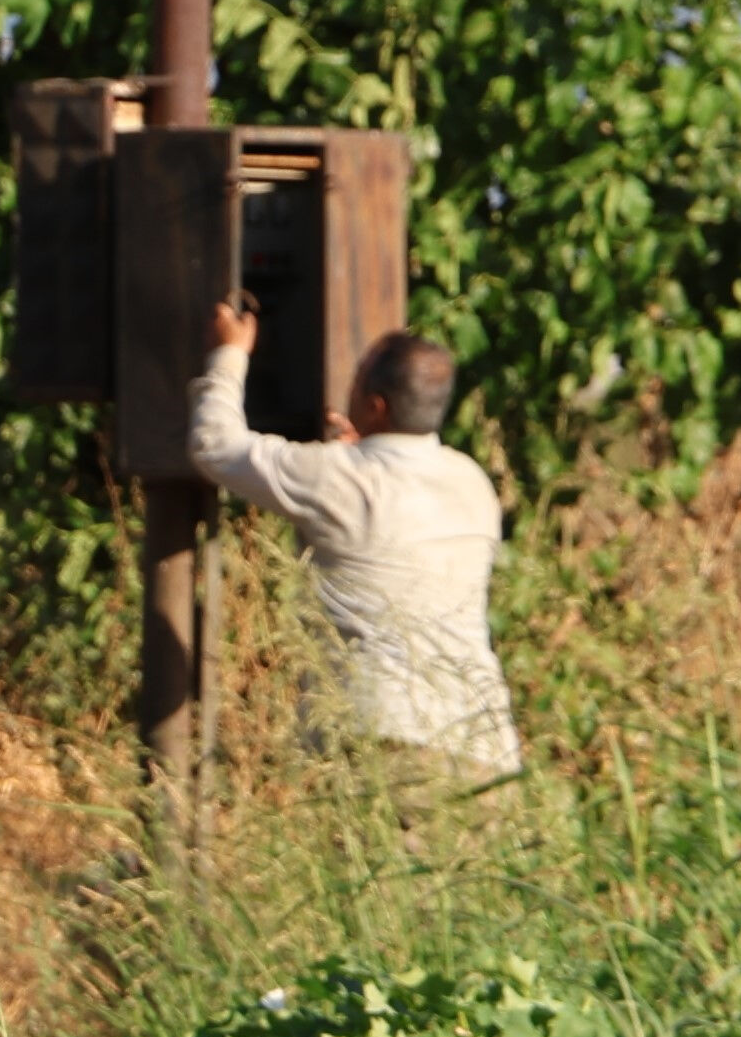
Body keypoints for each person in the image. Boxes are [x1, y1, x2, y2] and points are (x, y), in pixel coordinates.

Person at [193, 299, 522, 776]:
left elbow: (215, 446)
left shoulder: (334, 477)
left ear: (375, 405)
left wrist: (229, 353)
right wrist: (357, 452)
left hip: (381, 744)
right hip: (481, 744)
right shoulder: (472, 482)